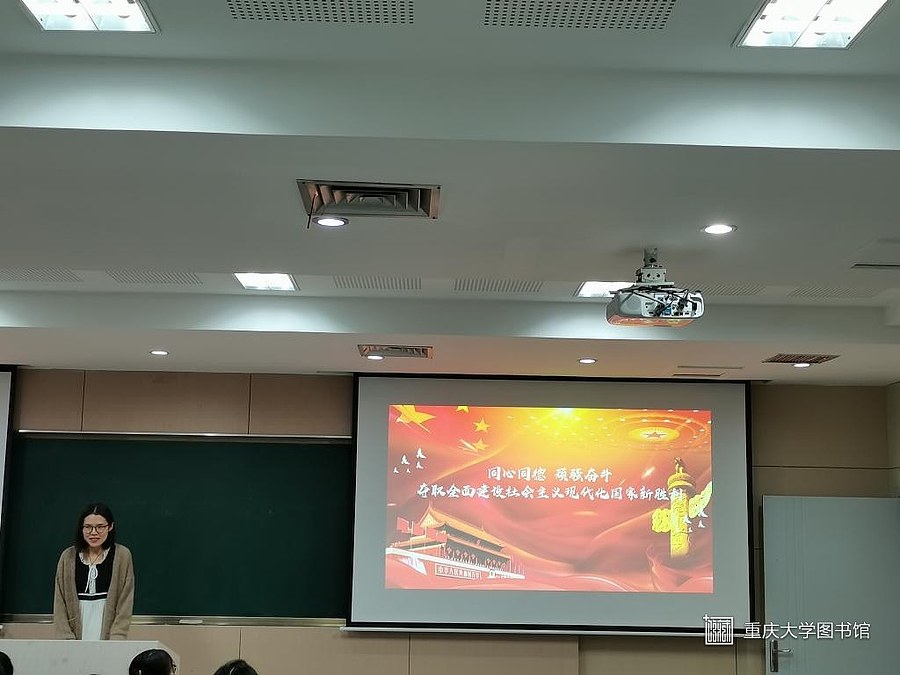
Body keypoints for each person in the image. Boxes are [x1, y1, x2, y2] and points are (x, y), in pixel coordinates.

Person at [53, 503, 135, 640]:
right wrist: (66, 637)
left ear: (110, 527)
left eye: (100, 527)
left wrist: (117, 636)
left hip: (108, 631)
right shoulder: (67, 557)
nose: (93, 532)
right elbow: (59, 602)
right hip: (75, 633)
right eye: (88, 527)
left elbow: (125, 601)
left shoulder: (122, 555)